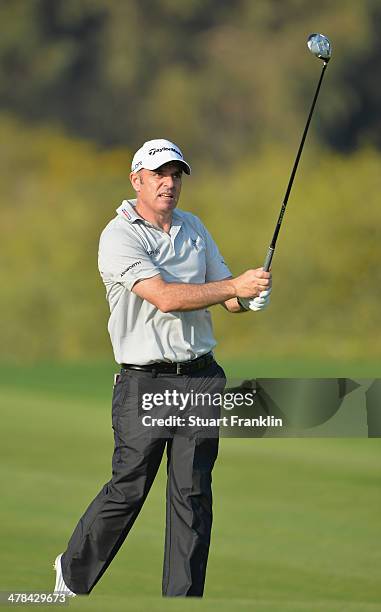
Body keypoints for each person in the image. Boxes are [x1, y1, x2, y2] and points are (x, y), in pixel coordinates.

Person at [53, 138, 272, 598]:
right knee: (129, 487)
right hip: (144, 380)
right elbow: (166, 297)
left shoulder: (194, 228)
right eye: (159, 174)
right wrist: (232, 286)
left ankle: (183, 601)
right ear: (137, 180)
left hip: (200, 376)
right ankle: (72, 574)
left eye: (176, 175)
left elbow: (226, 298)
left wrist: (246, 298)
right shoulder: (120, 235)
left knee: (193, 496)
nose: (169, 183)